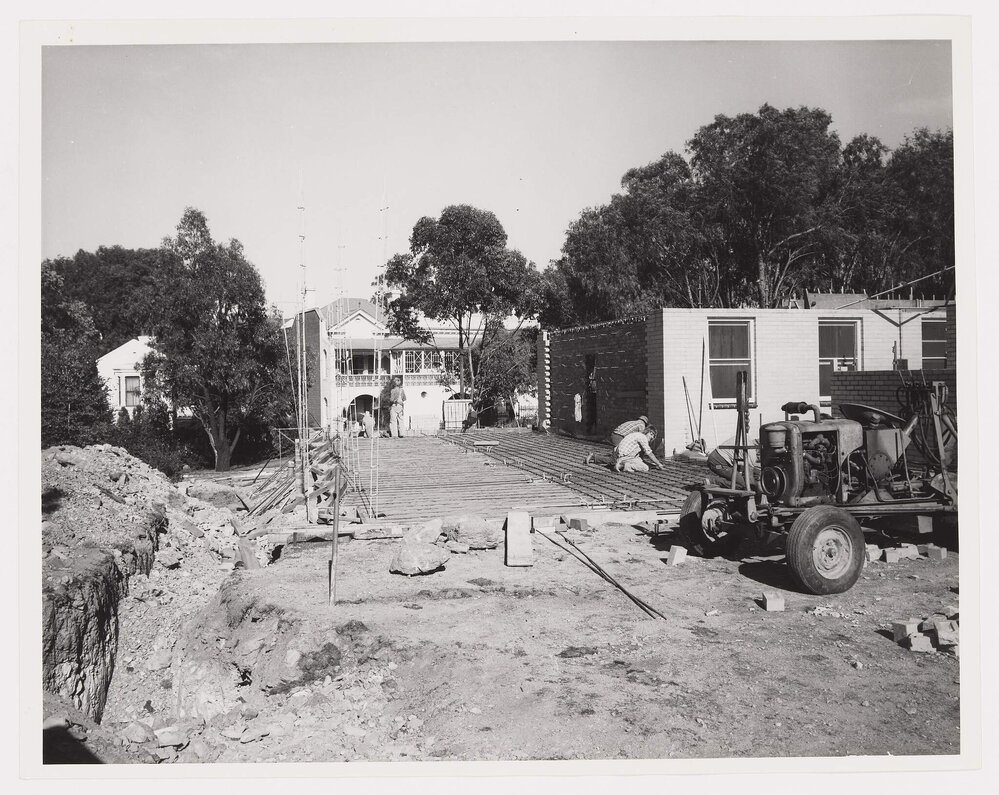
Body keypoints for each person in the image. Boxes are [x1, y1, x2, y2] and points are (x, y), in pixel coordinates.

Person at [585, 427, 664, 472]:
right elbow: (649, 453)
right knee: (645, 468)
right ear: (649, 432)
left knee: (611, 461)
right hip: (624, 455)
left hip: (618, 451)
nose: (652, 438)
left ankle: (594, 457)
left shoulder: (637, 434)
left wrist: (653, 465)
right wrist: (658, 464)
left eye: (653, 437)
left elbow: (641, 457)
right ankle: (623, 465)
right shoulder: (643, 438)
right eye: (652, 435)